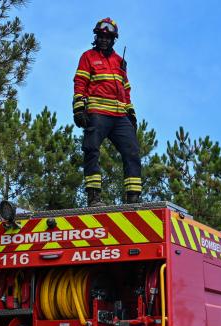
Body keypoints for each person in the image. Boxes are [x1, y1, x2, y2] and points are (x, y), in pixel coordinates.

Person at [73, 17, 142, 206]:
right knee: (91, 150)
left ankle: (133, 199)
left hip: (120, 116)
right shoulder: (88, 56)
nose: (104, 39)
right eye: (101, 36)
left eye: (108, 37)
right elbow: (80, 82)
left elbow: (126, 89)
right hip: (98, 112)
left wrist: (131, 112)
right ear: (96, 37)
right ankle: (94, 198)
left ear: (113, 39)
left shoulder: (120, 61)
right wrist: (79, 106)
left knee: (132, 152)